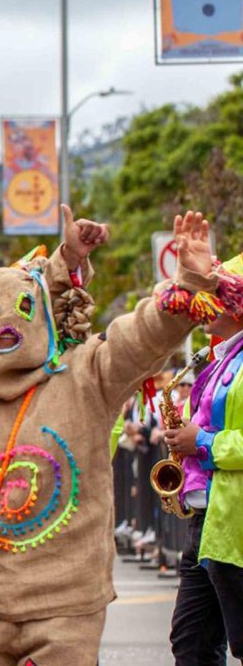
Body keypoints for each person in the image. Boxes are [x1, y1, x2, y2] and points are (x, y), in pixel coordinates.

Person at [0, 210, 224, 664]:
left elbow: (139, 337)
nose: (6, 325)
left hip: (66, 613)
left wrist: (189, 281)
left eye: (24, 309)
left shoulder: (85, 377)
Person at [166, 252, 243, 665]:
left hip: (237, 527)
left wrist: (205, 443)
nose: (206, 306)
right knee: (191, 642)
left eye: (216, 296)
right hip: (209, 523)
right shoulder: (222, 357)